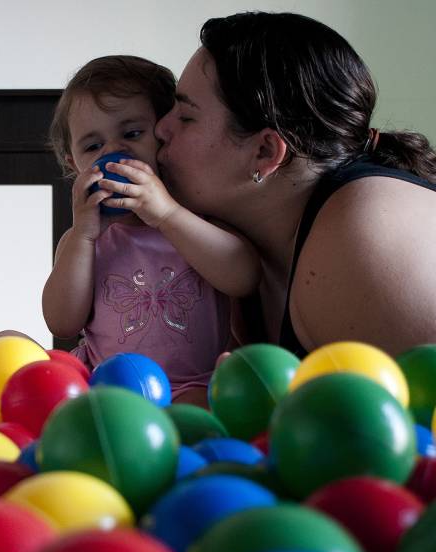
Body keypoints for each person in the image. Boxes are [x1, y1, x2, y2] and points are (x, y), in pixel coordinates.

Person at [152, 12, 436, 357]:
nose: (160, 129)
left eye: (186, 117)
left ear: (265, 151)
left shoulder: (367, 233)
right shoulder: (230, 248)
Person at [42, 55, 260, 405]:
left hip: (188, 387)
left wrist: (166, 214)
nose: (114, 151)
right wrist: (83, 236)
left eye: (132, 134)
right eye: (93, 146)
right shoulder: (83, 241)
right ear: (74, 162)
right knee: (9, 344)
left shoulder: (194, 221)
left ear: (164, 136)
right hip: (103, 386)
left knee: (202, 409)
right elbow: (62, 323)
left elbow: (243, 276)